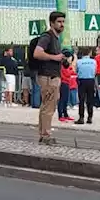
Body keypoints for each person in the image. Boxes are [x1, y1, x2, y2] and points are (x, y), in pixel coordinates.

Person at [31, 11, 66, 145]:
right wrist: (55, 57)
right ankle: (46, 135)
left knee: (46, 105)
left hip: (51, 75)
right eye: (59, 22)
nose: (62, 24)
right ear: (52, 23)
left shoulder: (55, 39)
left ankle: (43, 133)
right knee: (49, 107)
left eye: (63, 22)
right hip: (48, 76)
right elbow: (37, 53)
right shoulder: (47, 37)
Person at [75, 48, 97, 125]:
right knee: (90, 100)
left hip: (82, 81)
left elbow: (76, 71)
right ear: (89, 53)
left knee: (81, 100)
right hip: (91, 80)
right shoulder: (93, 61)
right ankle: (90, 117)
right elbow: (95, 71)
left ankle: (81, 117)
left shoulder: (79, 62)